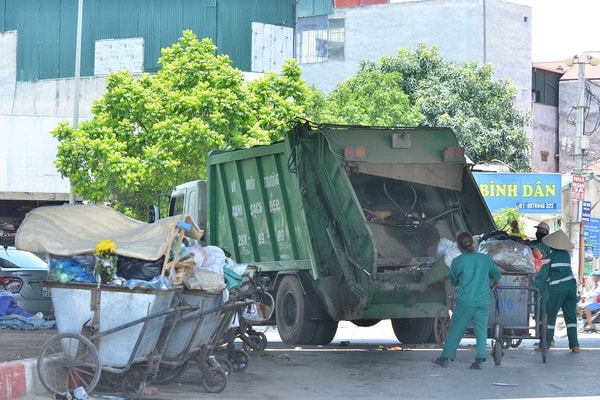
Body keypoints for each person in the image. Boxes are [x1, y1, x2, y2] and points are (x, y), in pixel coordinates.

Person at [433, 232, 502, 370]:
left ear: (459, 246)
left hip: (466, 301)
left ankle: (446, 357)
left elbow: (453, 281)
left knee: (456, 328)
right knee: (481, 329)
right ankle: (479, 359)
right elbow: (497, 274)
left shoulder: (457, 262)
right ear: (473, 243)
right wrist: (494, 283)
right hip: (483, 300)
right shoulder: (485, 259)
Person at [533, 229, 580, 353]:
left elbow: (543, 275)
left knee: (550, 316)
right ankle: (575, 345)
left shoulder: (550, 257)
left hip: (558, 288)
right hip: (571, 287)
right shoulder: (566, 255)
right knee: (570, 317)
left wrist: (534, 284)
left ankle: (545, 344)